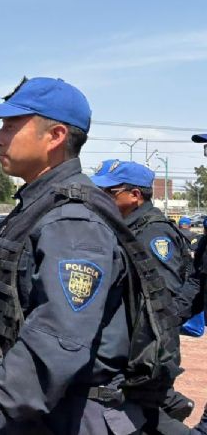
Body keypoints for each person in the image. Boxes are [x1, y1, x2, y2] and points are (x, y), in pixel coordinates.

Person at [0, 77, 161, 434]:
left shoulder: (72, 221)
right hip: (45, 405)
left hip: (74, 415)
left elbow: (59, 338)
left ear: (56, 135)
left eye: (11, 126)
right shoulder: (41, 206)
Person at [90, 159, 195, 425]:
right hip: (128, 346)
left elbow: (162, 298)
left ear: (135, 195)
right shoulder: (126, 228)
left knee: (139, 417)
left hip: (145, 352)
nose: (101, 197)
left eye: (109, 192)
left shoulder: (153, 233)